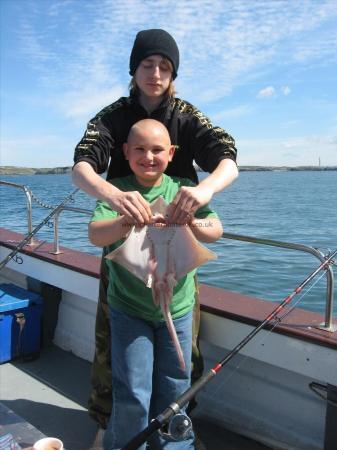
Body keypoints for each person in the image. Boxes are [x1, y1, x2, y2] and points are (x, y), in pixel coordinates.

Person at [72, 28, 238, 429]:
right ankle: (110, 426)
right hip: (126, 230)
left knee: (180, 351)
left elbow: (228, 157)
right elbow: (81, 164)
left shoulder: (187, 116)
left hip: (179, 239)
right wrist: (114, 197)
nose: (157, 73)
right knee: (114, 346)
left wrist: (201, 193)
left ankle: (176, 429)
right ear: (134, 69)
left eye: (165, 66)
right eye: (148, 64)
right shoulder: (111, 116)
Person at [88, 118, 223, 449]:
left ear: (172, 152)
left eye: (157, 150)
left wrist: (191, 218)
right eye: (140, 149)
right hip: (129, 308)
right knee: (133, 388)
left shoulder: (183, 190)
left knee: (176, 386)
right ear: (126, 152)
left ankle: (175, 446)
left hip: (177, 307)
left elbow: (215, 229)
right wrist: (124, 219)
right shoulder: (117, 190)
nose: (149, 156)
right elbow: (95, 234)